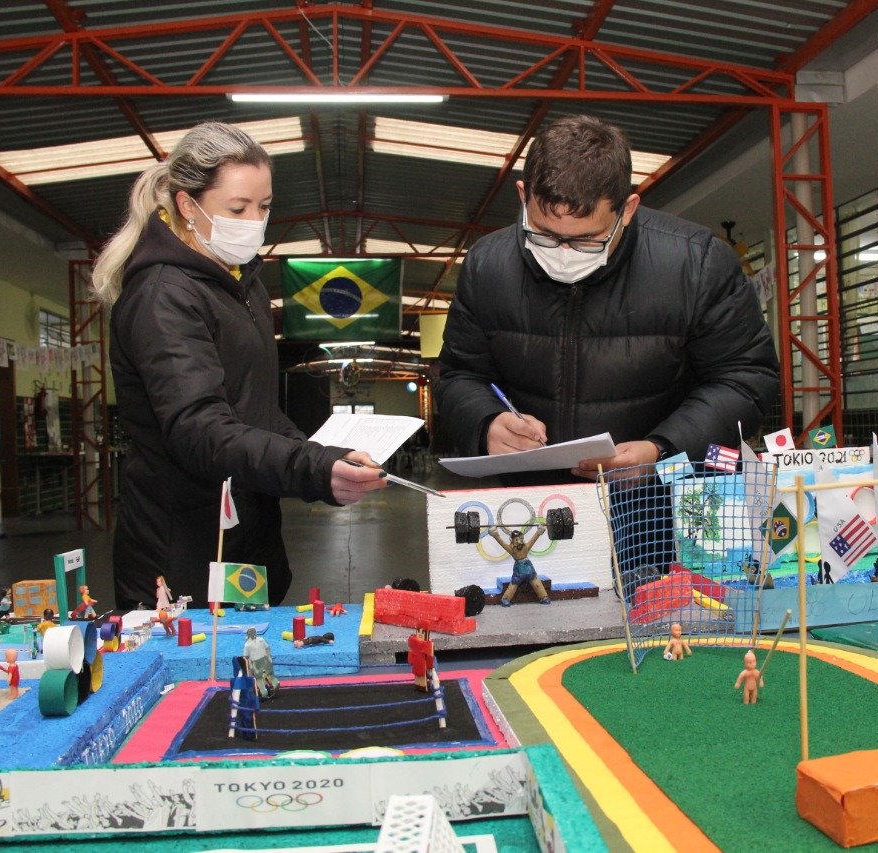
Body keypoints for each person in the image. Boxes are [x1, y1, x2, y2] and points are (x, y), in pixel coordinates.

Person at [93, 121, 387, 609]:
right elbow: (200, 429)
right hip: (184, 553)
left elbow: (257, 411)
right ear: (188, 206)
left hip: (246, 539)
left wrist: (327, 458)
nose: (254, 221)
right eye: (237, 208)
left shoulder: (240, 284)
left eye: (265, 206)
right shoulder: (162, 297)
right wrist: (310, 468)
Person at [435, 113, 779, 486]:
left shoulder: (697, 263)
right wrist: (486, 422)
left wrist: (662, 449)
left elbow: (746, 378)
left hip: (661, 505)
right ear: (522, 196)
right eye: (544, 235)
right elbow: (459, 375)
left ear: (628, 209)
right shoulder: (488, 264)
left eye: (587, 239)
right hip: (533, 504)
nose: (563, 253)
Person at [489, 527, 550, 606]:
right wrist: (496, 535)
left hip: (529, 569)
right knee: (514, 584)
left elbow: (533, 540)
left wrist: (539, 532)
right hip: (519, 570)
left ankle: (543, 597)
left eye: (521, 539)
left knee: (536, 581)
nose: (519, 541)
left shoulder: (526, 547)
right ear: (512, 541)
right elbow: (502, 543)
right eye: (516, 539)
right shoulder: (511, 549)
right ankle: (506, 599)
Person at [243, 626, 278, 699]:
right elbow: (267, 648)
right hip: (265, 659)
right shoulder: (261, 639)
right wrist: (269, 657)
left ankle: (264, 693)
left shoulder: (247, 645)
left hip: (256, 662)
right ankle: (275, 684)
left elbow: (246, 657)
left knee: (259, 679)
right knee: (270, 674)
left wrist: (250, 666)